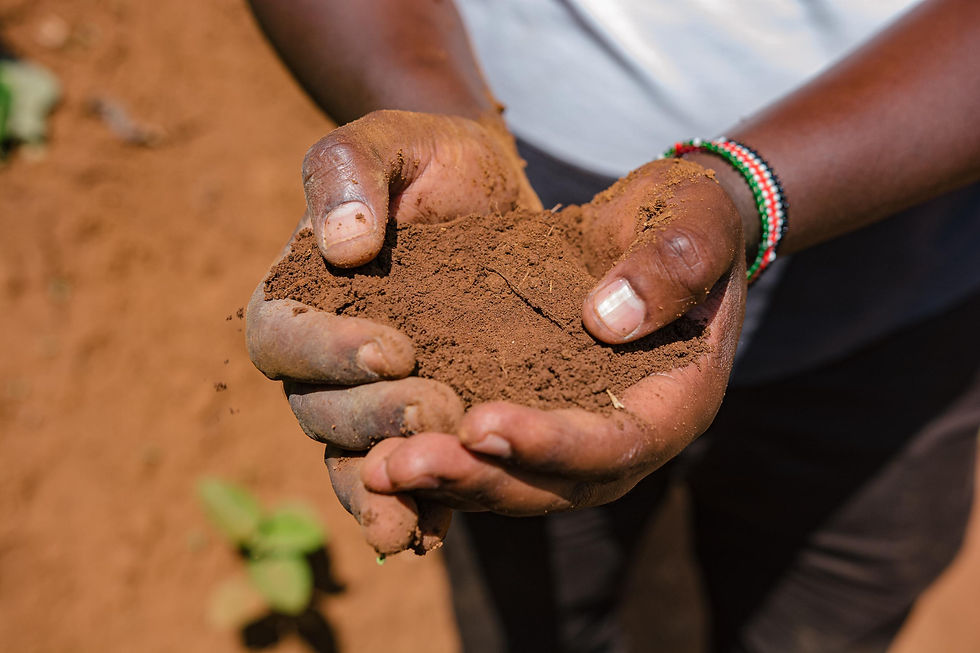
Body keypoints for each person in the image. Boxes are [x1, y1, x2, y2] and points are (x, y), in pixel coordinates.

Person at [243, 1, 980, 651]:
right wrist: (429, 107)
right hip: (519, 175)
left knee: (821, 619)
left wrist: (743, 191)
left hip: (907, 238)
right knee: (550, 596)